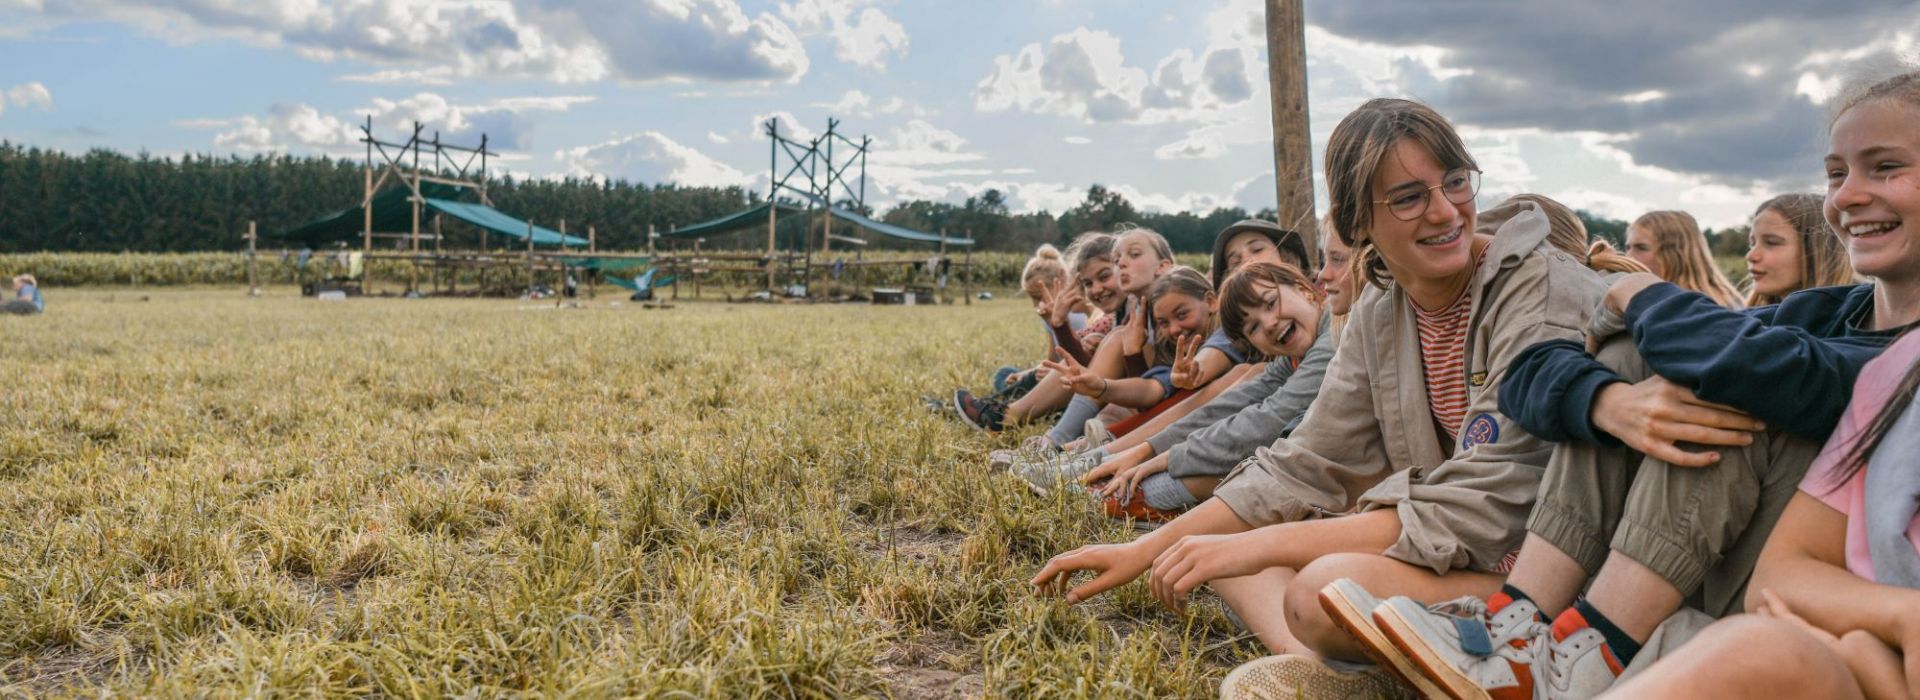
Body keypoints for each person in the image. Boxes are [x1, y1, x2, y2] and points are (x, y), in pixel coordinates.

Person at [1342, 67, 1920, 700]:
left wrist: (1643, 294)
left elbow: (1753, 368)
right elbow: (1529, 376)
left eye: (1885, 167)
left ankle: (1595, 648)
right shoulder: (1821, 312)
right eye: (1837, 173)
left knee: (1721, 385)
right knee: (1619, 359)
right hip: (1708, 566)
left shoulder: (1898, 354)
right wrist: (1610, 403)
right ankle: (1521, 625)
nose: (1848, 196)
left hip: (1787, 592)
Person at [1030, 99, 1611, 697]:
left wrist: (1263, 542)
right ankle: (1322, 673)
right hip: (1453, 550)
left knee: (1318, 589)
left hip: (1546, 569)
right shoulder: (1379, 314)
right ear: (1360, 222)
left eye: (1456, 182)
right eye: (1410, 197)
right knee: (1218, 549)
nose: (1447, 211)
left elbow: (1490, 503)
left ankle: (1388, 661)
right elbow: (1306, 460)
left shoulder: (1536, 291)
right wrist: (1149, 548)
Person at [954, 232, 1124, 431]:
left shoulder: (1108, 320)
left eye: (1104, 276)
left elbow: (1076, 365)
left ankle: (1003, 413)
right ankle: (999, 408)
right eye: (1087, 284)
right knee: (1006, 374)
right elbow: (1067, 360)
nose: (1095, 290)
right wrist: (1056, 325)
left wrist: (1059, 328)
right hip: (1085, 386)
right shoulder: (1115, 317)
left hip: (1097, 393)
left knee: (1025, 378)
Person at [1745, 193, 1857, 307]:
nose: (1751, 256)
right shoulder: (1754, 319)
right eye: (1752, 244)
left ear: (1816, 250)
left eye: (1771, 242)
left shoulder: (1861, 319)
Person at [1624, 210, 1746, 308]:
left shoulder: (1705, 309)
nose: (1629, 257)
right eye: (1628, 248)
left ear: (1676, 255)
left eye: (1641, 248)